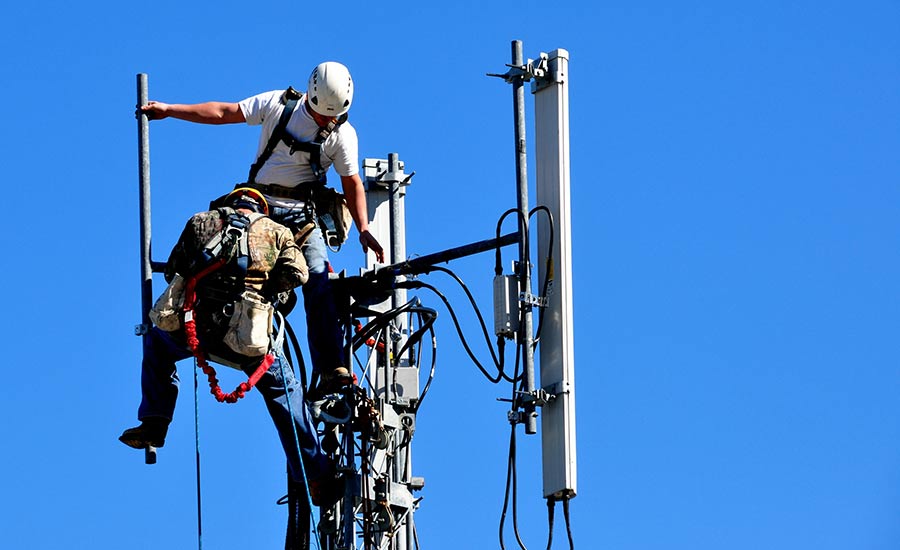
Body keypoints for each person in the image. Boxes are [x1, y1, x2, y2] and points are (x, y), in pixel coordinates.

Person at [140, 61, 385, 389]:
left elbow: (351, 182)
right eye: (321, 114)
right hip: (258, 209)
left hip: (300, 218)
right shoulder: (279, 106)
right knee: (213, 254)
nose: (327, 121)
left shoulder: (342, 135)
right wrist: (171, 110)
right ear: (310, 98)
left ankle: (330, 367)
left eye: (333, 116)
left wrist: (364, 228)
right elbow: (224, 112)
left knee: (318, 278)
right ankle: (184, 325)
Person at [119, 188, 335, 500]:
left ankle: (154, 422)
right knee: (285, 392)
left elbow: (175, 268)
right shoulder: (276, 231)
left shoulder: (201, 221)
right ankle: (316, 475)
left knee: (156, 344)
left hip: (197, 329)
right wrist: (270, 293)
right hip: (249, 336)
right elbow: (298, 273)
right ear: (260, 207)